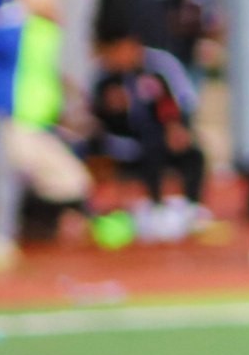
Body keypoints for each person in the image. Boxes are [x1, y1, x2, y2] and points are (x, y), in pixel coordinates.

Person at [0, 0, 89, 261]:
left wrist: (65, 100)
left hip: (38, 114)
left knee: (69, 181)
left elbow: (46, 60)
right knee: (7, 176)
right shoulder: (8, 2)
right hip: (9, 110)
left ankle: (30, 229)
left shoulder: (42, 3)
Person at [86, 15, 209, 234]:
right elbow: (94, 117)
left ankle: (190, 208)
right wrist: (111, 111)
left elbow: (184, 101)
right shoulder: (104, 75)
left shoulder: (160, 65)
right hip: (123, 142)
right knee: (148, 146)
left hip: (163, 136)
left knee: (192, 154)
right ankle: (153, 207)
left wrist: (178, 128)